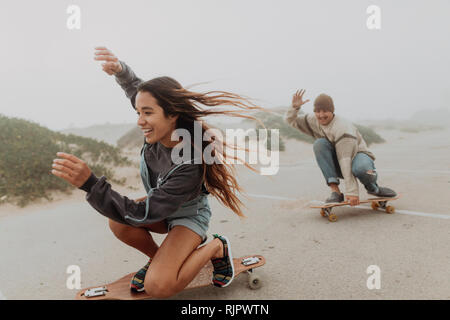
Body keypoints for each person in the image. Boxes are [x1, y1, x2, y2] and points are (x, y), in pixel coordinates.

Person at [51, 47, 262, 298]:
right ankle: (159, 260)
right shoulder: (157, 132)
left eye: (147, 113)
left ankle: (216, 247)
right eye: (138, 112)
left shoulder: (189, 162)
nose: (140, 120)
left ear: (172, 114)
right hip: (161, 208)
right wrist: (120, 70)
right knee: (117, 221)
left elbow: (142, 214)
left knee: (158, 286)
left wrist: (90, 184)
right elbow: (139, 92)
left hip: (188, 217)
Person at [285, 89, 396, 206]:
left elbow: (345, 160)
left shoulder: (342, 127)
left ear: (332, 111)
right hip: (339, 159)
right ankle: (335, 192)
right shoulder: (313, 119)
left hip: (358, 156)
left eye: (325, 111)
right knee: (320, 144)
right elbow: (290, 120)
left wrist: (352, 192)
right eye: (318, 111)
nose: (321, 115)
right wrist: (294, 108)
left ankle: (374, 188)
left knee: (361, 169)